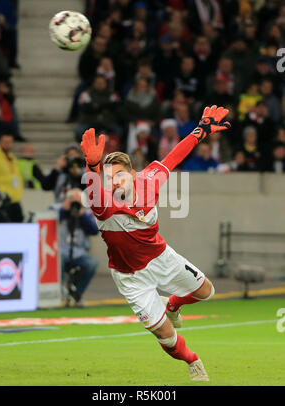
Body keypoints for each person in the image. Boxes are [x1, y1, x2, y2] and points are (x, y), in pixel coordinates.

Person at [80, 105, 230, 381]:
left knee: (207, 291)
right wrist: (91, 167)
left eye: (119, 175)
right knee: (166, 336)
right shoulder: (104, 206)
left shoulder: (149, 180)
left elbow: (174, 156)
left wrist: (201, 130)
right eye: (108, 178)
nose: (113, 182)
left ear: (132, 173)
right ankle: (193, 361)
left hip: (161, 258)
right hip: (130, 278)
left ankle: (172, 305)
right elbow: (92, 193)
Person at [58, 188, 99, 305]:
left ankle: (76, 293)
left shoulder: (87, 213)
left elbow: (95, 230)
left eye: (79, 202)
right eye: (73, 201)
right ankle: (59, 291)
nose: (75, 205)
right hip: (60, 250)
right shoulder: (58, 209)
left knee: (92, 263)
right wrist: (64, 209)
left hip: (79, 252)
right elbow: (50, 221)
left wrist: (82, 215)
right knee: (57, 260)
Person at [0, 133, 23, 222]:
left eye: (10, 142)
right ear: (0, 143)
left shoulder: (12, 158)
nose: (8, 145)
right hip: (2, 202)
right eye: (5, 142)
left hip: (15, 201)